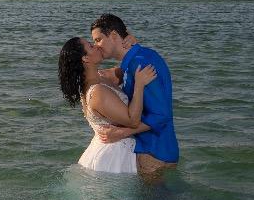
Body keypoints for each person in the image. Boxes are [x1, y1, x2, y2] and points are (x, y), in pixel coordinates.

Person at [90, 13, 179, 179]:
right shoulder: (139, 58)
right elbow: (110, 76)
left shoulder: (140, 64)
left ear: (114, 35)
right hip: (158, 149)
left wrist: (122, 132)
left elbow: (162, 115)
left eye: (98, 40)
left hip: (153, 152)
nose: (96, 46)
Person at [58, 36, 156, 173]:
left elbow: (131, 67)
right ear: (85, 59)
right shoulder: (97, 92)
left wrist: (130, 45)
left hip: (109, 152)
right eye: (91, 46)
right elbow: (133, 120)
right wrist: (139, 85)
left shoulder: (100, 77)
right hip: (111, 159)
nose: (96, 46)